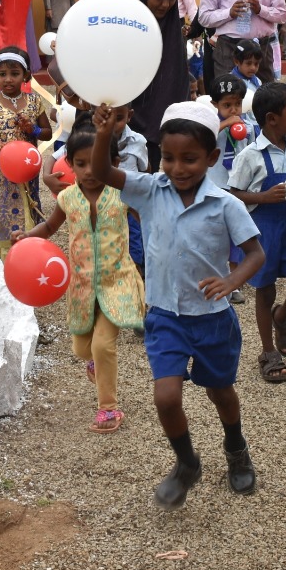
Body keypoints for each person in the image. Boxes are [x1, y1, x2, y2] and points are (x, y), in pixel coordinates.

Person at [88, 101, 265, 508]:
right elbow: (101, 173)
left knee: (221, 392)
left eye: (190, 159)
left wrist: (232, 280)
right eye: (168, 157)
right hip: (165, 314)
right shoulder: (150, 190)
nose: (178, 167)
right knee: (166, 397)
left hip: (212, 319)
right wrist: (103, 134)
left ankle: (236, 447)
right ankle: (187, 463)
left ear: (212, 158)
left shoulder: (226, 204)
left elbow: (255, 254)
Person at [18, 128, 146, 434]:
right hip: (82, 287)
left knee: (103, 346)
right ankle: (94, 364)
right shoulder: (67, 198)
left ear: (114, 162)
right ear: (70, 165)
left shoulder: (122, 194)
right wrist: (24, 239)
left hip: (118, 280)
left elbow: (152, 220)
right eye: (80, 163)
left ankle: (108, 409)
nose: (89, 171)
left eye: (97, 163)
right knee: (81, 348)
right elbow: (49, 227)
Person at [229, 82, 286, 384]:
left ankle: (281, 318)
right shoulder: (251, 156)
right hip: (264, 231)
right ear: (272, 119)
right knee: (265, 290)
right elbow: (233, 194)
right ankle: (268, 352)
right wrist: (263, 197)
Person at [0, 46, 52, 255]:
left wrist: (32, 129)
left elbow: (47, 133)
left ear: (26, 75)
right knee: (5, 205)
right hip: (2, 169)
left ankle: (31, 247)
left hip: (28, 165)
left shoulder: (35, 101)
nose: (8, 79)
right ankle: (8, 252)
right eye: (2, 74)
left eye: (15, 74)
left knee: (31, 199)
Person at [124, 0, 188, 155]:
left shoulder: (170, 24)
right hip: (119, 115)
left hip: (154, 117)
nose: (165, 4)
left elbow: (174, 70)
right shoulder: (122, 11)